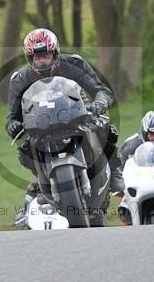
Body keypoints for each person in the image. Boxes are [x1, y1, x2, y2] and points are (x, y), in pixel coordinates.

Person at [7, 28, 124, 227]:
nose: (42, 61)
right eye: (36, 57)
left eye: (45, 55)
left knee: (105, 128)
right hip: (41, 126)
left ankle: (115, 173)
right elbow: (12, 116)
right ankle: (39, 187)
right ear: (29, 58)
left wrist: (99, 103)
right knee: (24, 150)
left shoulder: (74, 64)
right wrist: (13, 125)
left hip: (76, 115)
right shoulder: (20, 79)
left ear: (55, 53)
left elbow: (101, 90)